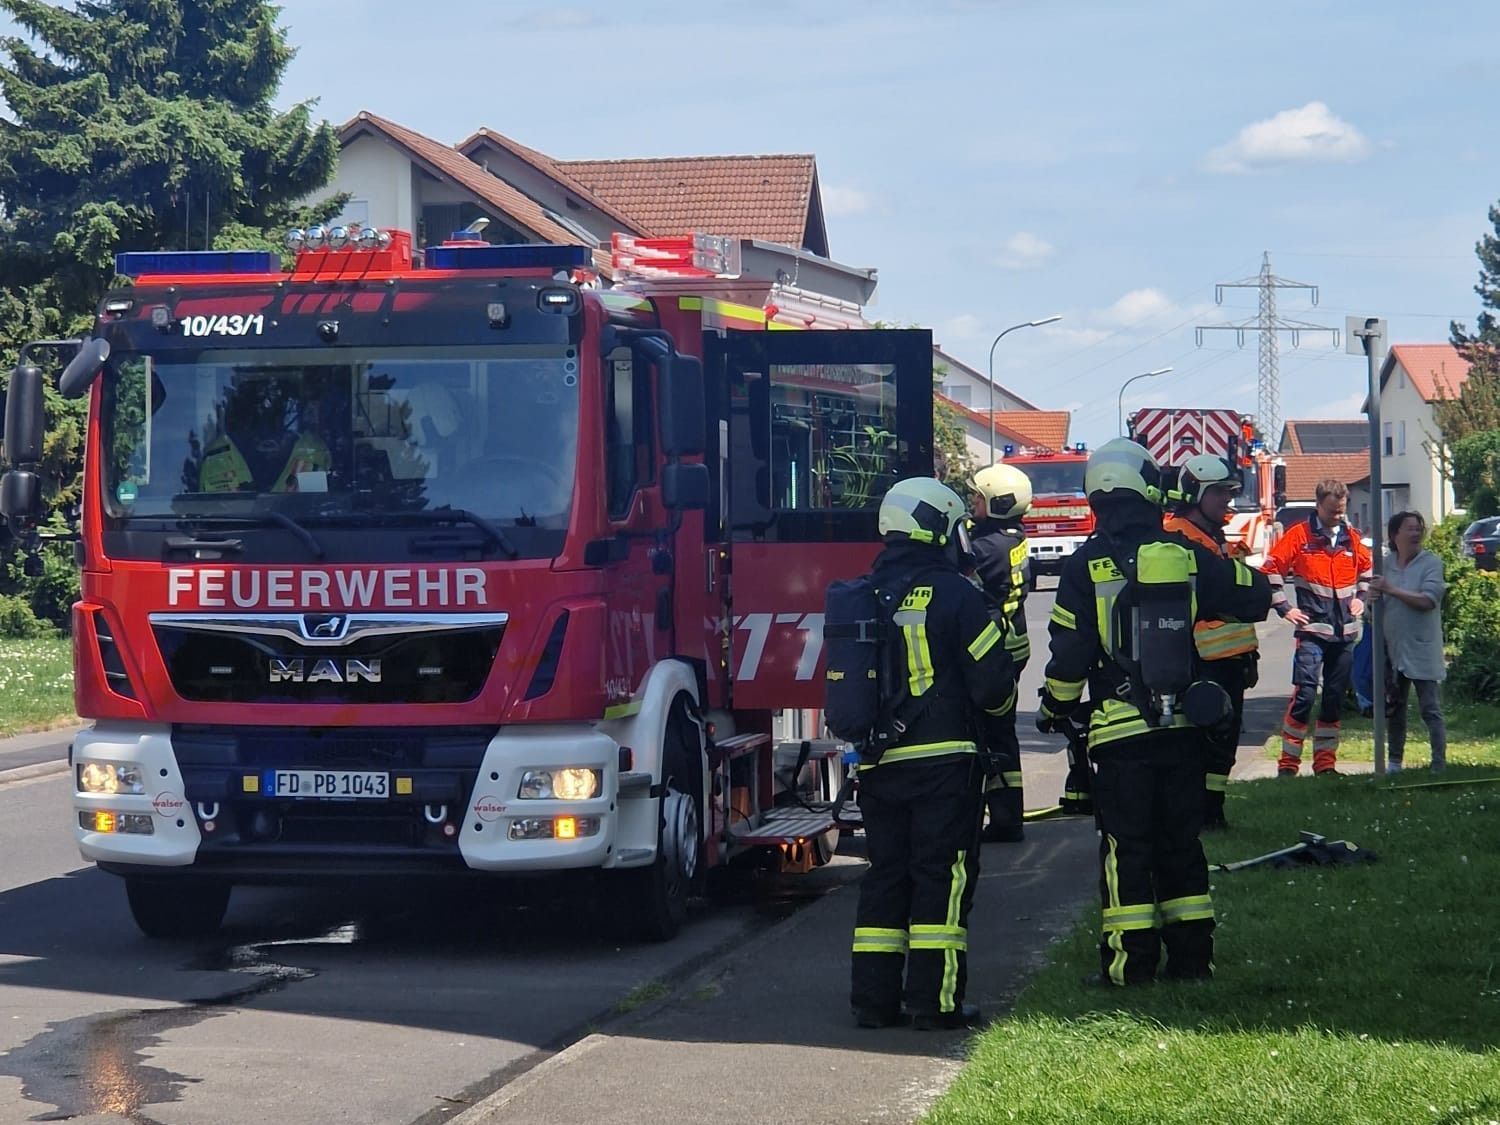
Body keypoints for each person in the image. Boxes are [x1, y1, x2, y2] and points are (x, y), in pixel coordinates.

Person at [1037, 439, 1270, 986]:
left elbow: (1068, 656)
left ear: (1097, 495)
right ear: (1149, 487)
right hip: (1184, 727)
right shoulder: (1186, 555)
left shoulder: (1083, 567)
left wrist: (1056, 706)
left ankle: (1128, 966)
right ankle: (1192, 961)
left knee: (1126, 847)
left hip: (1120, 735)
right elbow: (1255, 595)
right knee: (1180, 844)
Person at [849, 477, 1016, 1030]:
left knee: (886, 876)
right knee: (941, 879)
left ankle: (872, 1003)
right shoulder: (958, 594)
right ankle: (934, 1002)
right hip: (944, 764)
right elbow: (992, 687)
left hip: (876, 764)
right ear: (938, 527)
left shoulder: (862, 595)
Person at [1162, 454, 1265, 829]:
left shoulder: (1216, 539)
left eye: (1230, 491)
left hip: (1229, 661)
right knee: (1201, 742)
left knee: (1224, 743)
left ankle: (1213, 811)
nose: (1227, 499)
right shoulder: (1177, 537)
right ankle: (1200, 813)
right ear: (1195, 493)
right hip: (1199, 662)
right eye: (1219, 491)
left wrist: (1247, 654)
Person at [1261, 479, 1373, 776]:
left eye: (1341, 510)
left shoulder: (1351, 537)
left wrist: (1361, 598)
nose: (1338, 515)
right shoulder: (1300, 536)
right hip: (1312, 632)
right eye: (1333, 510)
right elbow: (1270, 570)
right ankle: (1288, 765)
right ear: (1319, 505)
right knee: (1305, 695)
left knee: (1334, 699)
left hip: (1345, 633)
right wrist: (1285, 608)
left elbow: (1367, 571)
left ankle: (1325, 765)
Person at [967, 463, 1033, 844]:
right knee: (1001, 734)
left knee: (988, 735)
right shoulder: (1011, 537)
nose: (972, 502)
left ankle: (1003, 819)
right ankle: (1008, 815)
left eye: (978, 497)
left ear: (996, 503)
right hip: (1012, 645)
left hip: (992, 652)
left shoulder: (985, 549)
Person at [1368, 510, 1447, 772]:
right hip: (1394, 650)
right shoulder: (1385, 564)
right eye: (1409, 529)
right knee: (1395, 709)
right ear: (1394, 535)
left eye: (1418, 529)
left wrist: (1391, 590)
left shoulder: (1431, 563)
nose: (1415, 533)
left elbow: (1428, 600)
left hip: (1422, 647)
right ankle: (1394, 764)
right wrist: (1371, 601)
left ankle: (1438, 764)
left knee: (1430, 709)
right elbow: (1375, 611)